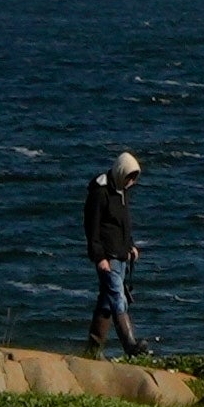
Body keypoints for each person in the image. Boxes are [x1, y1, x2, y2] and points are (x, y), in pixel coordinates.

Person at [82, 150, 154, 357]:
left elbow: (123, 225)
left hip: (121, 255)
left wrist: (130, 246)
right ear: (121, 171)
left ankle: (93, 349)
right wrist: (99, 257)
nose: (132, 181)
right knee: (117, 297)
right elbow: (91, 227)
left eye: (134, 178)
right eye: (130, 177)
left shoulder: (122, 192)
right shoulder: (100, 193)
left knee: (107, 300)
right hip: (108, 257)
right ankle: (130, 345)